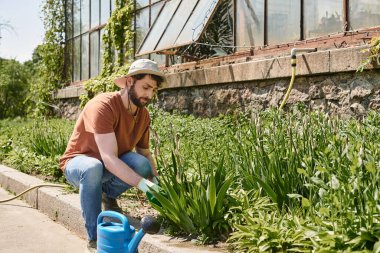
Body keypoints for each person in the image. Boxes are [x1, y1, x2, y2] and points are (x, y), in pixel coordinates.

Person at [59, 59, 166, 252]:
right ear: (129, 82)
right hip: (79, 164)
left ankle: (107, 196)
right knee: (93, 167)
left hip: (108, 169)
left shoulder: (143, 116)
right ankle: (94, 238)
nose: (149, 95)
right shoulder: (103, 105)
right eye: (146, 87)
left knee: (142, 164)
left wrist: (156, 182)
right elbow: (108, 158)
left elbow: (145, 153)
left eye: (154, 90)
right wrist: (143, 185)